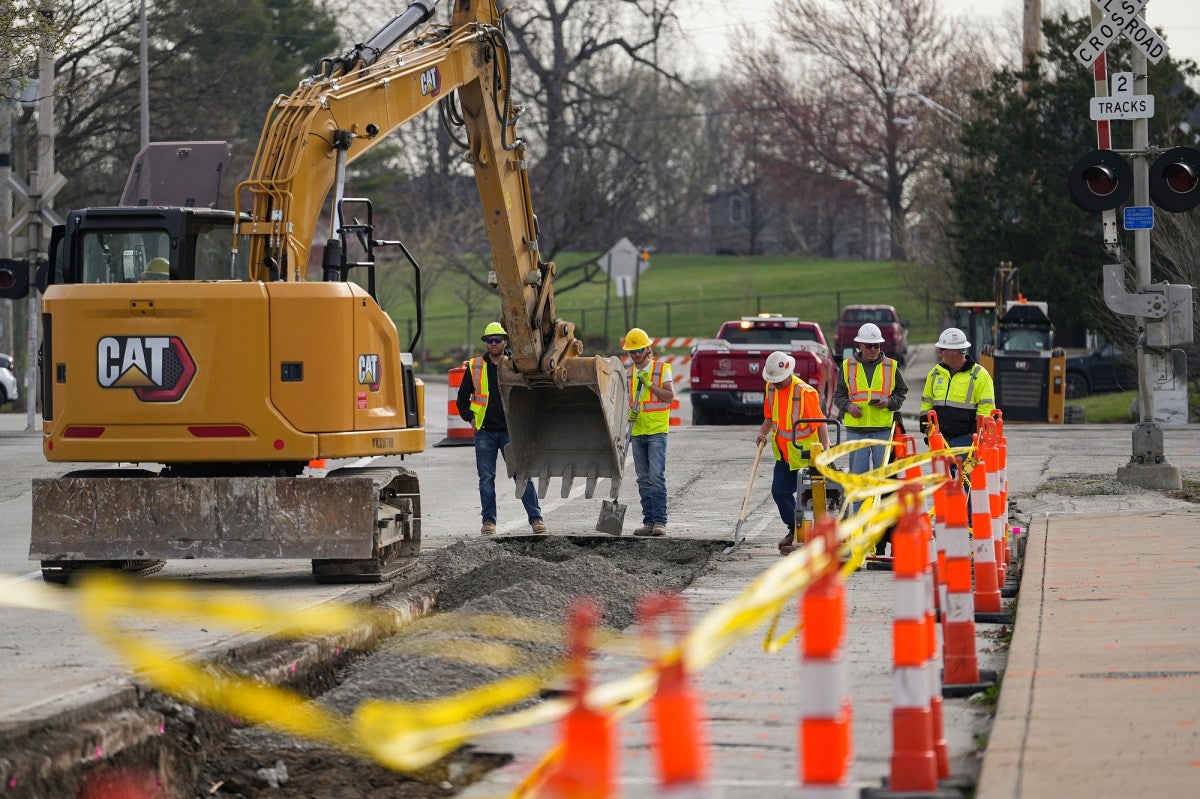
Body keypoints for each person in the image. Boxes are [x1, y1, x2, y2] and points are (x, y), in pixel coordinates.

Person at [456, 322, 547, 536]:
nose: (494, 344)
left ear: (505, 341)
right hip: (485, 432)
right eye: (490, 340)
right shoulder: (475, 366)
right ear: (486, 343)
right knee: (486, 478)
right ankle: (489, 522)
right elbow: (462, 399)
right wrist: (470, 418)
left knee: (522, 475)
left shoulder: (517, 364)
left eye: (498, 340)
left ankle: (536, 519)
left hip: (511, 431)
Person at [755, 351, 830, 551]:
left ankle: (809, 537)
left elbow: (820, 422)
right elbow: (769, 418)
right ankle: (794, 530)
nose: (777, 384)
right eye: (774, 381)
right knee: (779, 492)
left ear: (789, 372)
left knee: (806, 499)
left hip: (806, 455)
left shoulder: (806, 393)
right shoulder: (771, 389)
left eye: (779, 380)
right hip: (784, 455)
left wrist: (826, 452)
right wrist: (762, 433)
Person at [834, 322, 908, 513]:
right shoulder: (847, 366)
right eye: (869, 346)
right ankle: (859, 521)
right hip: (857, 431)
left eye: (876, 345)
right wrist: (848, 406)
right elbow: (838, 396)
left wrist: (889, 402)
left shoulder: (891, 367)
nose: (873, 350)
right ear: (859, 346)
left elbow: (901, 393)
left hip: (883, 430)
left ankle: (881, 522)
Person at [622, 327, 674, 537]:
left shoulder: (662, 369)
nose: (636, 355)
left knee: (656, 476)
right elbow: (626, 403)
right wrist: (628, 415)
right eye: (632, 351)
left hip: (656, 431)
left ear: (647, 349)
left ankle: (660, 521)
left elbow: (669, 397)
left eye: (639, 350)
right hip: (637, 431)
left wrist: (650, 384)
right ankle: (648, 522)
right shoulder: (627, 375)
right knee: (643, 478)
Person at [919, 327, 997, 450]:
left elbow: (987, 408)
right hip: (938, 438)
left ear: (954, 351)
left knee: (965, 470)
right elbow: (926, 402)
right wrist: (926, 427)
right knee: (941, 470)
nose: (940, 352)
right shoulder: (935, 373)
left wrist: (973, 435)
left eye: (942, 349)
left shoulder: (980, 375)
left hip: (966, 440)